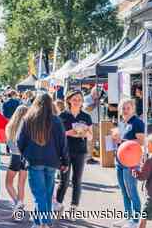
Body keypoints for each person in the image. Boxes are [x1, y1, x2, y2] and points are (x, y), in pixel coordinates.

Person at [18, 93, 68, 228]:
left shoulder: (28, 119)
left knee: (40, 194)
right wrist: (65, 161)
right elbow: (62, 143)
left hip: (34, 160)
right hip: (52, 161)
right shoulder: (56, 121)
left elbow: (19, 141)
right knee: (45, 194)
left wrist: (24, 154)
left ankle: (43, 223)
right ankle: (39, 222)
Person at [55, 90, 93, 218]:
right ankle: (58, 206)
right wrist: (68, 133)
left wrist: (84, 133)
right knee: (63, 180)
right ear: (69, 100)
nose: (77, 101)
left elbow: (91, 136)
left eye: (79, 99)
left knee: (77, 180)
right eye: (75, 99)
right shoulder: (62, 116)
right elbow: (56, 135)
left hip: (80, 151)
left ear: (82, 102)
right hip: (65, 152)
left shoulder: (86, 117)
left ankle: (73, 208)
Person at [112, 99, 144, 228]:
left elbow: (141, 141)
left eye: (128, 108)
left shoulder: (137, 122)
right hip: (119, 160)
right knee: (124, 191)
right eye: (123, 108)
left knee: (132, 191)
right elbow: (120, 141)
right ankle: (128, 218)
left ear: (133, 108)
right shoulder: (122, 123)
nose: (125, 110)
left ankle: (135, 221)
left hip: (131, 161)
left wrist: (123, 140)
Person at [5, 105, 29, 217]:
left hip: (14, 156)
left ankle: (17, 203)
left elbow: (9, 143)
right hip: (25, 157)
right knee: (21, 184)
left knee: (8, 183)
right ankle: (19, 204)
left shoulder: (10, 126)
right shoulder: (29, 127)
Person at [132, 134, 152, 228]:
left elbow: (142, 176)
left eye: (147, 144)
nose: (146, 146)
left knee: (143, 217)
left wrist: (134, 171)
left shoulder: (150, 160)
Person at [83, 86, 101, 164]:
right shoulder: (87, 99)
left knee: (93, 141)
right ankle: (87, 158)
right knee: (89, 141)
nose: (98, 95)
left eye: (99, 93)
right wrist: (95, 103)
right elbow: (87, 108)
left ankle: (90, 156)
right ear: (93, 92)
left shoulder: (98, 100)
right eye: (97, 93)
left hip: (97, 123)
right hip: (90, 123)